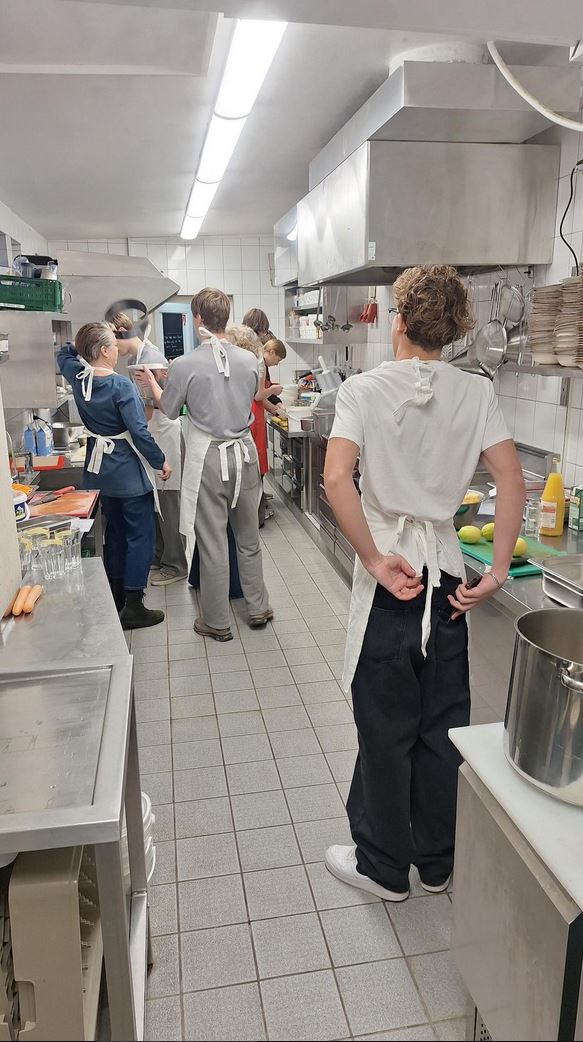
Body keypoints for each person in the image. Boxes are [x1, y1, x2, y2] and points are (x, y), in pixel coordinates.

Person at [323, 265, 526, 901]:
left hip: (396, 578)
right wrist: (496, 571)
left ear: (401, 321)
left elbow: (336, 479)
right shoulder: (476, 392)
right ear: (456, 329)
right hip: (448, 580)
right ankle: (437, 862)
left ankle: (384, 868)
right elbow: (512, 480)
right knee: (442, 726)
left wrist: (373, 558)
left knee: (385, 727)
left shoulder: (363, 390)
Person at [136, 288, 272, 642]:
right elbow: (242, 395)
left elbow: (168, 409)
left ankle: (216, 620)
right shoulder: (250, 360)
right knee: (249, 538)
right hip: (244, 453)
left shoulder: (184, 364)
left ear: (197, 318)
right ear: (226, 317)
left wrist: (154, 382)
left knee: (213, 542)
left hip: (209, 457)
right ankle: (258, 608)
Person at [57, 323, 172, 629]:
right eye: (113, 343)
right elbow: (139, 432)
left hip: (99, 475)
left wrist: (85, 342)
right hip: (126, 474)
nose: (118, 348)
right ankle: (133, 606)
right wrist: (160, 461)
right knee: (140, 536)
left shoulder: (79, 378)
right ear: (105, 351)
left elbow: (63, 354)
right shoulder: (121, 386)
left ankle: (117, 597)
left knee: (115, 534)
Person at [112, 312, 188, 586]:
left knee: (168, 503)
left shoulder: (150, 358)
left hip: (164, 434)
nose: (112, 348)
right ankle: (161, 556)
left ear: (122, 333)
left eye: (113, 341)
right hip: (153, 434)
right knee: (157, 502)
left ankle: (176, 564)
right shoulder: (135, 359)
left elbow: (160, 404)